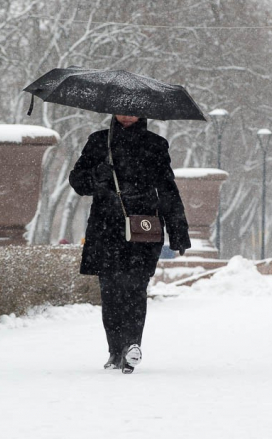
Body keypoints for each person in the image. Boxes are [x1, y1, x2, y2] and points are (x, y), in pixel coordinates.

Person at [69, 114, 190, 374]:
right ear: (113, 112)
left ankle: (132, 346)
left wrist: (178, 231)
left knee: (135, 288)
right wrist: (96, 177)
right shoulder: (99, 141)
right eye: (122, 110)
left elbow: (168, 189)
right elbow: (78, 182)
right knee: (110, 291)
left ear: (142, 113)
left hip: (143, 227)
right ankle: (115, 350)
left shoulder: (155, 144)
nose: (127, 114)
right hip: (106, 228)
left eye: (133, 110)